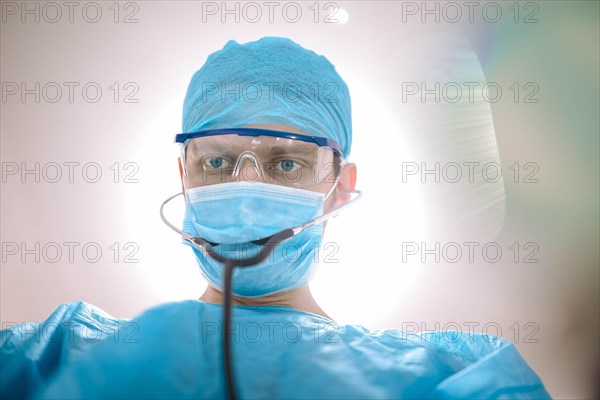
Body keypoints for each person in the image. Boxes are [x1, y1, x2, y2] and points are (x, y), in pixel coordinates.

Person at [0, 36, 551, 399]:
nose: (245, 185)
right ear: (184, 178)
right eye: (217, 161)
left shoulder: (450, 380)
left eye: (286, 162)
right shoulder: (48, 356)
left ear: (340, 189)